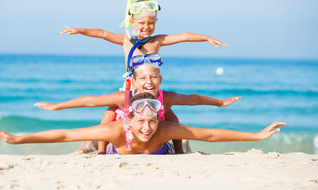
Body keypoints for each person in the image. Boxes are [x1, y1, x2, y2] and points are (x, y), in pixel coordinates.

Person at [34, 61, 241, 154]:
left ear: (160, 79)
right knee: (108, 112)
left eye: (153, 77)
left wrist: (220, 103)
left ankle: (180, 152)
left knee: (173, 119)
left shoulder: (165, 97)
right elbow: (89, 100)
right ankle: (98, 150)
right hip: (124, 135)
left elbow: (193, 99)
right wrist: (57, 107)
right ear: (134, 82)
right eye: (143, 78)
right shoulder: (122, 97)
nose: (149, 81)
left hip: (153, 134)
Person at [0, 93, 286, 155]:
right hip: (120, 148)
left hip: (162, 152)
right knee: (87, 140)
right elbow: (64, 133)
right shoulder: (117, 129)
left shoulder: (165, 129)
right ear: (128, 119)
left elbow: (210, 133)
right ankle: (92, 148)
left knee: (189, 137)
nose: (146, 127)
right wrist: (17, 139)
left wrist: (257, 136)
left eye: (152, 121)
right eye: (140, 121)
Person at [61, 0, 227, 66]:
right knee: (107, 116)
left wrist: (206, 38)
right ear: (131, 22)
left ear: (155, 22)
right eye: (141, 23)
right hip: (130, 91)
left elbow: (184, 36)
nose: (146, 27)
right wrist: (79, 30)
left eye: (150, 23)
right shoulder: (125, 40)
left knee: (173, 121)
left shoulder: (158, 40)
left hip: (152, 92)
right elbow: (101, 33)